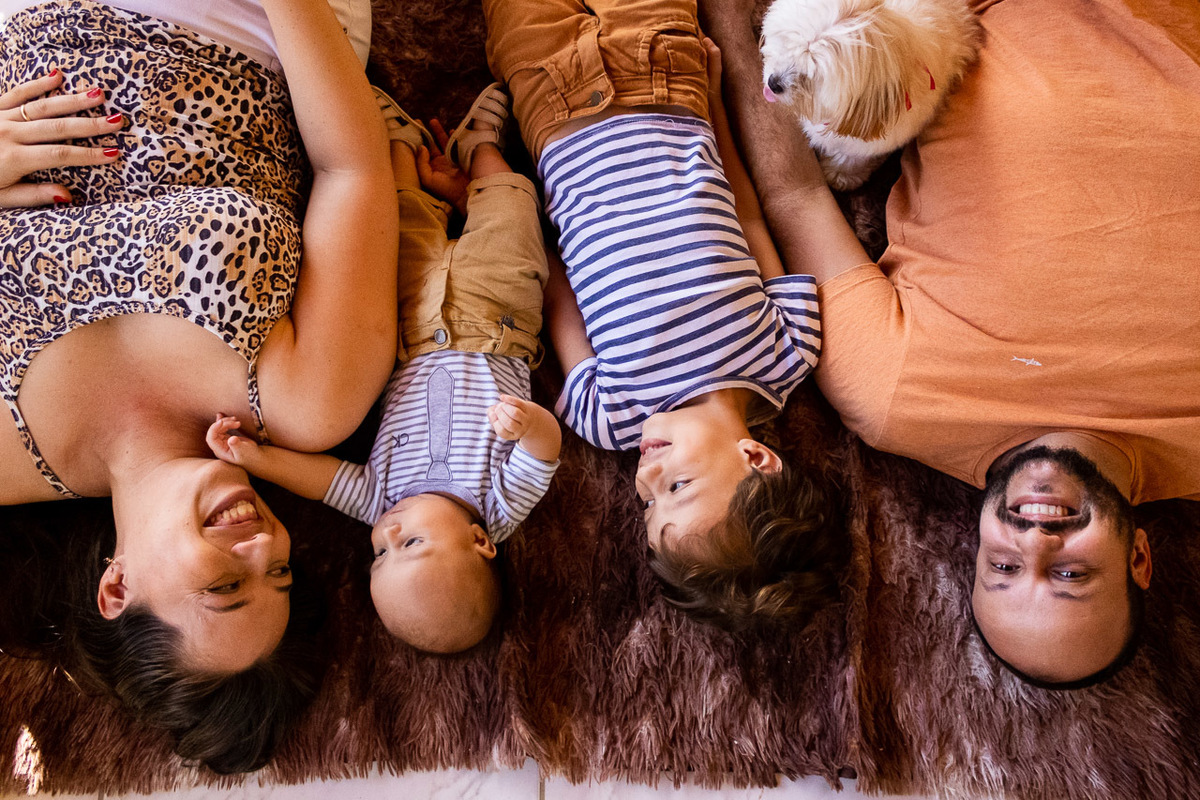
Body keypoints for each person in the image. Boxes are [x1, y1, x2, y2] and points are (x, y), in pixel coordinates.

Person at [700, 0, 1200, 684]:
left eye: (1003, 567)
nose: (1035, 537)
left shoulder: (896, 398)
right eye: (1072, 571)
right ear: (1139, 558)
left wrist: (728, 19)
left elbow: (796, 198)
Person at [0, 0, 397, 771]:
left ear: (116, 590)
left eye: (225, 585)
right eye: (279, 571)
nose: (260, 544)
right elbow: (354, 170)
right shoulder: (308, 402)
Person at [481, 0, 846, 632]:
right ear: (757, 458)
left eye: (646, 501)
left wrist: (509, 174)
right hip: (665, 80)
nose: (646, 473)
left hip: (554, 111)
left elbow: (555, 286)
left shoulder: (610, 418)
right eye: (676, 487)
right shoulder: (788, 353)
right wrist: (714, 109)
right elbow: (749, 214)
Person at [205, 86, 561, 653]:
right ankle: (480, 148)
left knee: (399, 218)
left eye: (378, 555)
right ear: (479, 543)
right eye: (412, 544)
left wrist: (257, 458)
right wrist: (527, 424)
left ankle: (398, 139)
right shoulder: (498, 505)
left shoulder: (378, 499)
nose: (388, 534)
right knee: (516, 207)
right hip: (500, 314)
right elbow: (546, 451)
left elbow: (323, 482)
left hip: (411, 323)